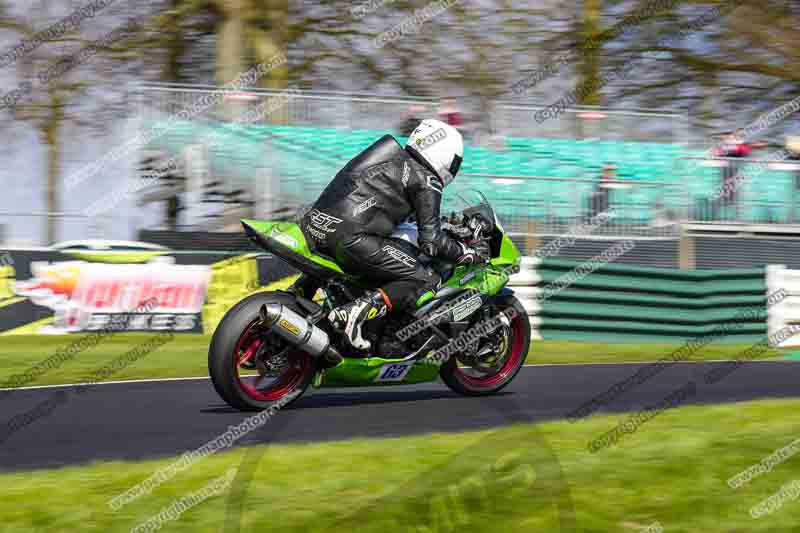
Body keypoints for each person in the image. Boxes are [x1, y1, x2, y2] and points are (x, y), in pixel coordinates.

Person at [300, 119, 489, 350]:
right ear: (445, 155)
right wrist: (467, 252)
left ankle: (297, 299)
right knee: (425, 278)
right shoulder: (426, 179)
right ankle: (356, 313)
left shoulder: (391, 159)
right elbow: (430, 242)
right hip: (352, 238)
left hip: (317, 224)